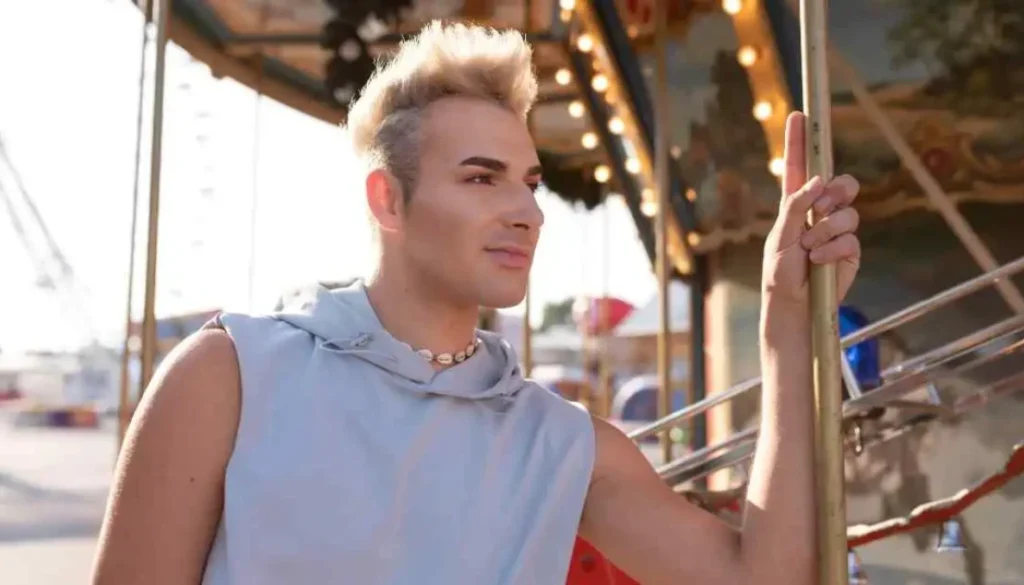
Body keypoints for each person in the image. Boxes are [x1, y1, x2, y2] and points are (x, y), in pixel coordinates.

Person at [91, 21, 862, 585]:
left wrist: (787, 333)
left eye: (529, 182)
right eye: (481, 176)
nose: (528, 211)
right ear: (388, 199)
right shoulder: (229, 376)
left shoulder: (562, 443)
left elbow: (762, 578)